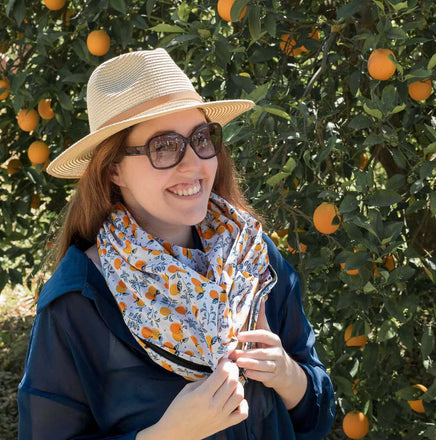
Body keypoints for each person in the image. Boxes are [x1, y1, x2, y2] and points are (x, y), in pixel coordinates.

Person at [17, 48, 335, 440]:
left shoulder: (251, 257)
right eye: (163, 146)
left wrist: (289, 377)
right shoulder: (79, 300)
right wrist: (168, 434)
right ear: (113, 169)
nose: (195, 164)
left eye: (202, 138)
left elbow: (317, 417)